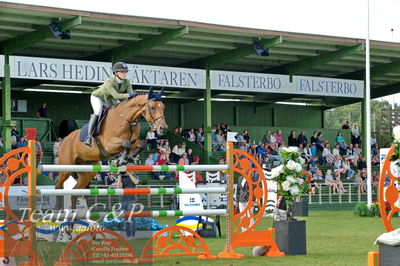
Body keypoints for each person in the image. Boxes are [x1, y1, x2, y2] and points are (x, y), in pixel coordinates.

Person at [84, 62, 137, 147]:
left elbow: (131, 95)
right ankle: (89, 137)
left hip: (111, 100)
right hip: (99, 97)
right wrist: (129, 95)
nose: (125, 74)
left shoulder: (127, 82)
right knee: (98, 112)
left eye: (125, 72)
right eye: (122, 72)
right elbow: (116, 95)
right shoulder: (109, 82)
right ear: (116, 73)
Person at [117, 171, 139, 239]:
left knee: (131, 218)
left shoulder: (135, 176)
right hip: (123, 200)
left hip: (132, 199)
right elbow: (118, 187)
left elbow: (136, 182)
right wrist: (119, 176)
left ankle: (133, 235)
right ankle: (128, 235)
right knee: (125, 219)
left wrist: (130, 174)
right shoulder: (123, 177)